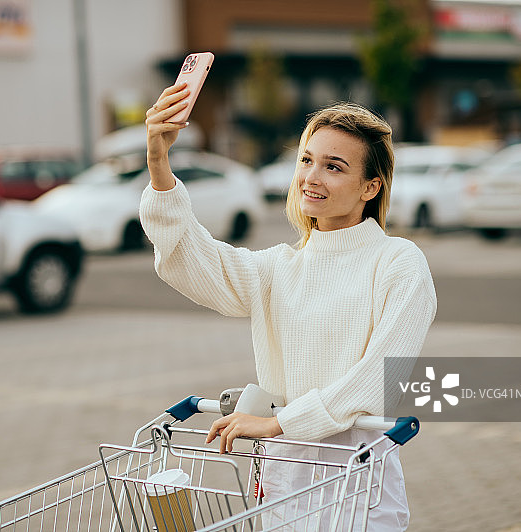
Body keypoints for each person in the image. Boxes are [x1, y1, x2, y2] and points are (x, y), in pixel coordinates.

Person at [141, 82, 437, 531]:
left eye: (333, 167)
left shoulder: (397, 263)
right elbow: (191, 259)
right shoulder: (279, 267)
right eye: (306, 160)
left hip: (357, 486)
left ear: (370, 186)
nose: (311, 178)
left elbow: (381, 380)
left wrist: (278, 425)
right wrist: (159, 161)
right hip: (283, 485)